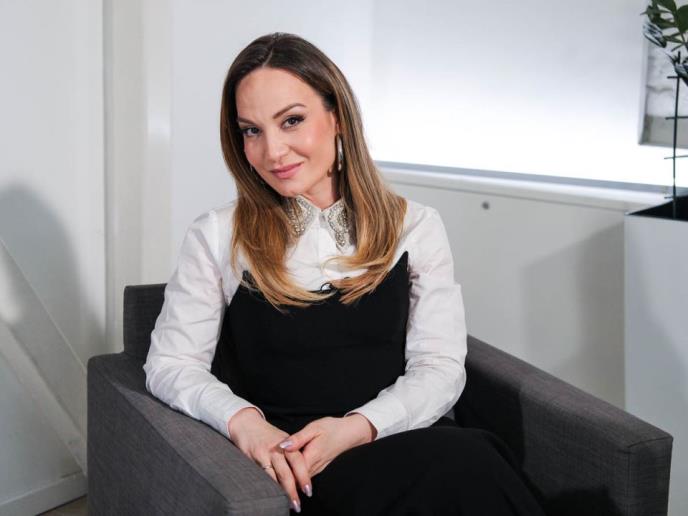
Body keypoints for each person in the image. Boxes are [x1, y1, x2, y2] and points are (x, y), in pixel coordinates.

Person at [143, 33, 545, 515]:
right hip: (301, 466)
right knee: (468, 467)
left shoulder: (416, 226)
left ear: (337, 117)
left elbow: (439, 367)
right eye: (251, 131)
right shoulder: (216, 235)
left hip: (400, 440)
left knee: (468, 463)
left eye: (291, 121)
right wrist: (246, 424)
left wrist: (357, 428)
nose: (273, 151)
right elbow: (171, 364)